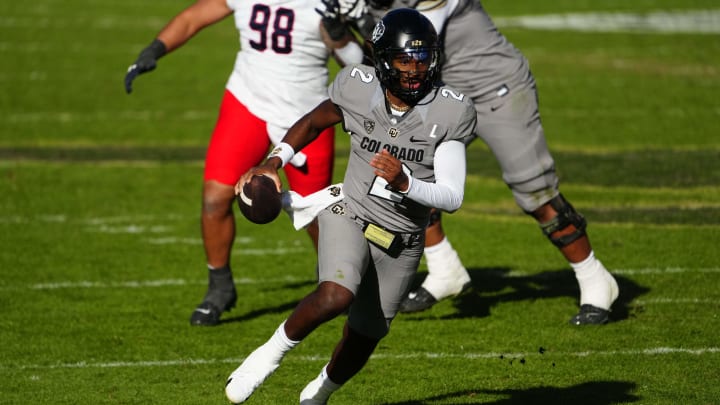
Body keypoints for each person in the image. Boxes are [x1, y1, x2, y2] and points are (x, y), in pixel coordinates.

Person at [224, 8, 477, 403]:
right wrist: (274, 162)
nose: (414, 68)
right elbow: (313, 121)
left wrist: (405, 181)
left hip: (402, 237)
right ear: (382, 61)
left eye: (422, 57)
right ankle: (266, 357)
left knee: (363, 338)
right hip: (351, 211)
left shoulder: (449, 110)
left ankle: (320, 392)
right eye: (403, 59)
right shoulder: (358, 87)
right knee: (336, 294)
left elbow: (452, 194)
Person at [328, 0, 619, 325]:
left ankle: (595, 279)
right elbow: (374, 68)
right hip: (430, 96)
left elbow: (420, 46)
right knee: (405, 179)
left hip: (493, 90)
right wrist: (339, 30)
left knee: (534, 190)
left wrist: (365, 22)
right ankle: (444, 269)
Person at [123, 0, 365, 326]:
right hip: (248, 101)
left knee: (318, 214)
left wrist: (339, 36)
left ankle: (336, 277)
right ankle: (219, 286)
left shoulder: (327, 3)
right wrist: (155, 48)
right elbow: (194, 17)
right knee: (214, 197)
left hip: (306, 113)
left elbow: (358, 67)